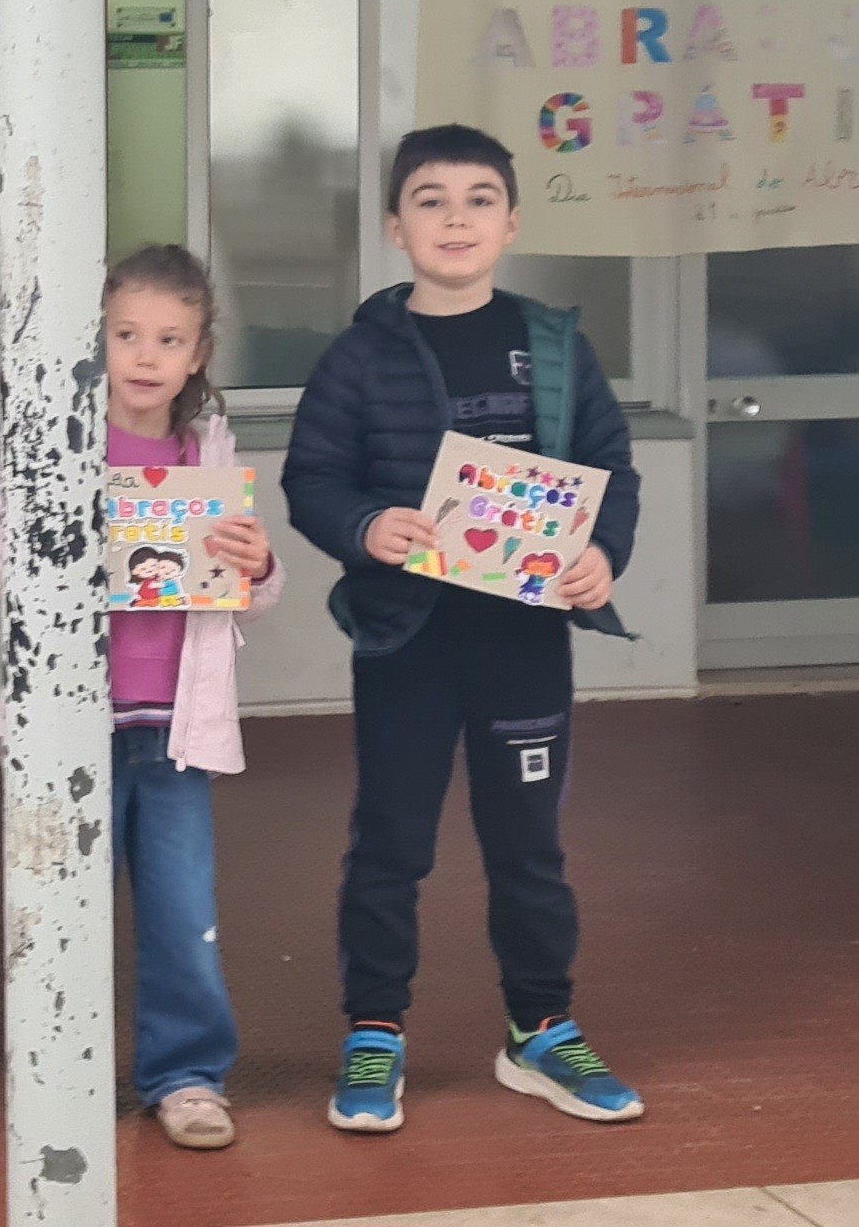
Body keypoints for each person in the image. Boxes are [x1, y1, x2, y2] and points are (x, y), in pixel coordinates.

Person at [283, 124, 644, 1133]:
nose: (455, 218)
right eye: (430, 200)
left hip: (523, 642)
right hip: (405, 642)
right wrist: (366, 527)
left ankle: (539, 1028)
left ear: (511, 222)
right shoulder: (359, 355)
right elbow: (312, 477)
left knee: (527, 847)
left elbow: (609, 465)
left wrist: (602, 551)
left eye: (479, 199)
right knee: (391, 843)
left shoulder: (555, 347)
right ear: (394, 227)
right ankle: (373, 1030)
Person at [0, 244, 284, 1150]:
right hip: (71, 724)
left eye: (170, 339)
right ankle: (56, 1074)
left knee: (184, 913)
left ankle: (186, 1076)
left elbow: (251, 593)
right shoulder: (49, 439)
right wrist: (59, 536)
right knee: (62, 909)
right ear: (95, 340)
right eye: (127, 334)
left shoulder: (206, 450)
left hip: (175, 727)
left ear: (199, 354)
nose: (147, 355)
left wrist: (259, 564)